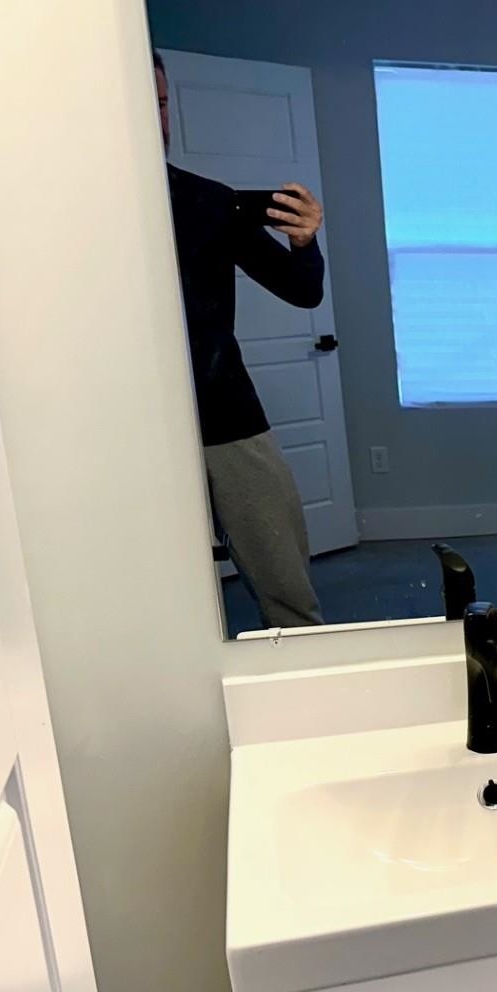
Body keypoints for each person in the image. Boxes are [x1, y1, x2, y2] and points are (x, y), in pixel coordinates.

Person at [155, 51, 327, 628]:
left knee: (286, 585)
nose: (157, 121)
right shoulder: (69, 215)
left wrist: (306, 243)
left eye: (161, 104)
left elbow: (301, 293)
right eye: (142, 106)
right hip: (123, 429)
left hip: (228, 413)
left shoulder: (207, 201)